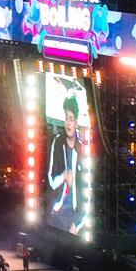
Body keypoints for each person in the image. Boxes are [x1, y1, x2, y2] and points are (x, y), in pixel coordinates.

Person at [47, 92, 86, 234]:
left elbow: (87, 194)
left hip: (74, 215)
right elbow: (51, 180)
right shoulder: (58, 142)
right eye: (66, 118)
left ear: (76, 122)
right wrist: (63, 176)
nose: (68, 123)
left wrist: (77, 224)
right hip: (57, 213)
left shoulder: (82, 149)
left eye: (71, 119)